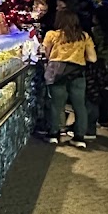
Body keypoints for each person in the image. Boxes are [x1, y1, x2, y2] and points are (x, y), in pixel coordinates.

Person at [43, 10, 97, 148]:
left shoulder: (52, 35)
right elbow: (93, 58)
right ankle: (79, 138)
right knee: (79, 105)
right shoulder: (84, 36)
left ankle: (54, 134)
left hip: (57, 72)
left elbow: (47, 54)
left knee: (56, 104)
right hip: (77, 72)